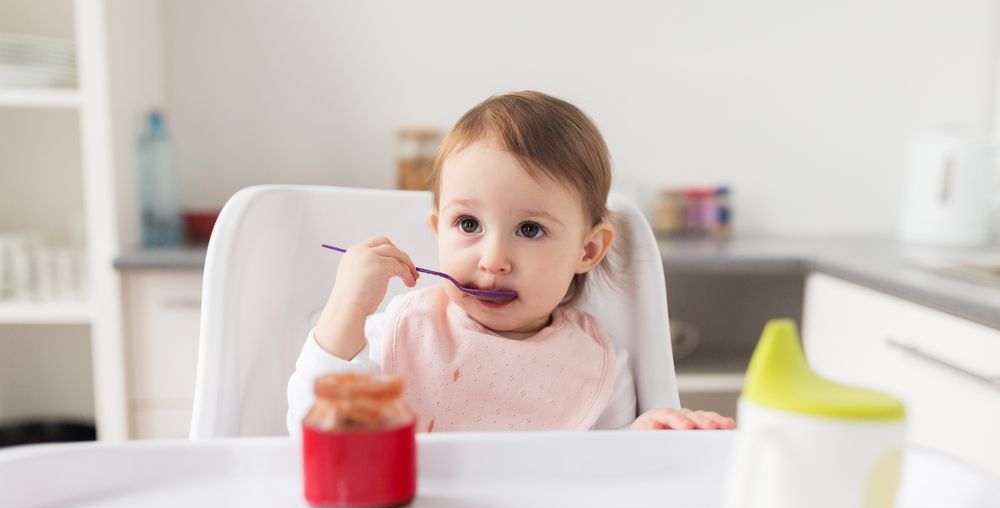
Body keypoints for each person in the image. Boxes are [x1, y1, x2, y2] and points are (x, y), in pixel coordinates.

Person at [287, 91, 735, 433]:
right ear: (437, 228)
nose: (494, 260)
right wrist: (346, 310)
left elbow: (608, 490)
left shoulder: (599, 367)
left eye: (530, 230)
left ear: (588, 251)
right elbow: (310, 429)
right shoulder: (401, 331)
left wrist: (646, 437)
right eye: (467, 224)